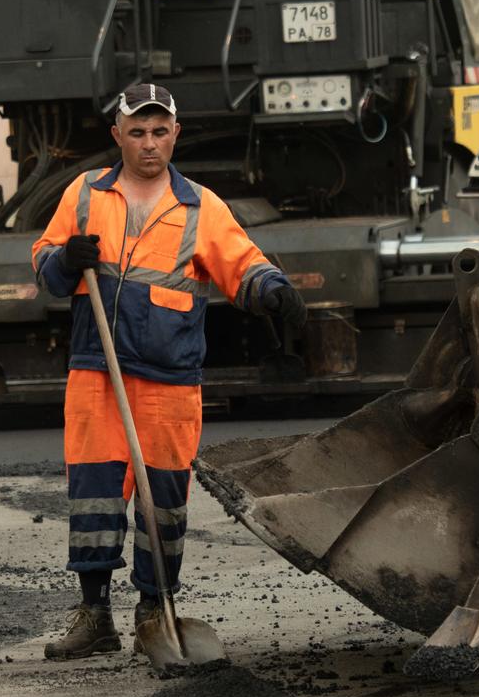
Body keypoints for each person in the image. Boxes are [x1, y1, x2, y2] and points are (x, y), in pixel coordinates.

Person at [32, 82, 306, 659]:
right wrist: (65, 260)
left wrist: (273, 291)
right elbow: (45, 267)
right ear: (118, 137)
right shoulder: (84, 193)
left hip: (168, 380)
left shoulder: (202, 207)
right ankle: (95, 614)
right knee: (94, 495)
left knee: (163, 500)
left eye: (160, 132)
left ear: (175, 134)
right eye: (137, 132)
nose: (149, 144)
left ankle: (156, 609)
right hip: (97, 371)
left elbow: (242, 265)